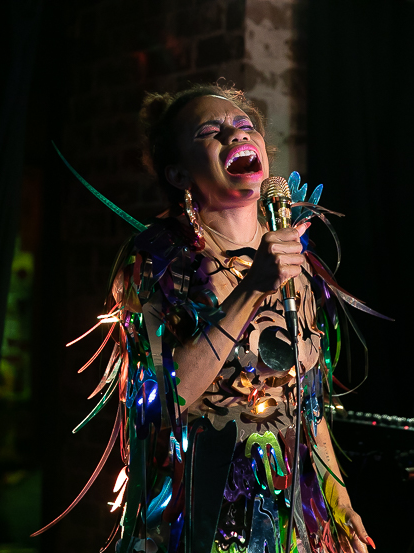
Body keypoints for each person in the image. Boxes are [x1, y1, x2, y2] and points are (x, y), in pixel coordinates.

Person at [53, 84, 375, 553]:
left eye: (245, 126)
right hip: (201, 516)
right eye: (211, 131)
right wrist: (251, 288)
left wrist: (338, 499)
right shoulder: (158, 263)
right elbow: (162, 401)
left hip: (286, 517)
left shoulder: (297, 260)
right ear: (179, 173)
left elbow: (309, 405)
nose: (236, 133)